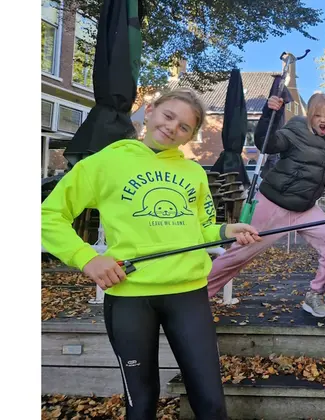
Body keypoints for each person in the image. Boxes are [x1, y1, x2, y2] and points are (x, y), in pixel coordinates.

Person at [42, 89, 262, 419]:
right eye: (168, 116)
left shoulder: (194, 173)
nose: (173, 128)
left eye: (185, 127)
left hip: (188, 294)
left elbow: (198, 230)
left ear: (190, 135)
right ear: (149, 111)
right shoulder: (105, 163)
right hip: (130, 299)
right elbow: (49, 215)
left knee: (211, 402)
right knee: (142, 403)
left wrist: (225, 231)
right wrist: (87, 258)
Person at [207, 93, 325, 318]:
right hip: (273, 204)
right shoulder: (295, 130)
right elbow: (267, 143)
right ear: (309, 117)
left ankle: (315, 295)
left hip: (305, 209)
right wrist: (268, 114)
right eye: (317, 115)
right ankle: (197, 296)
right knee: (238, 255)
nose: (323, 120)